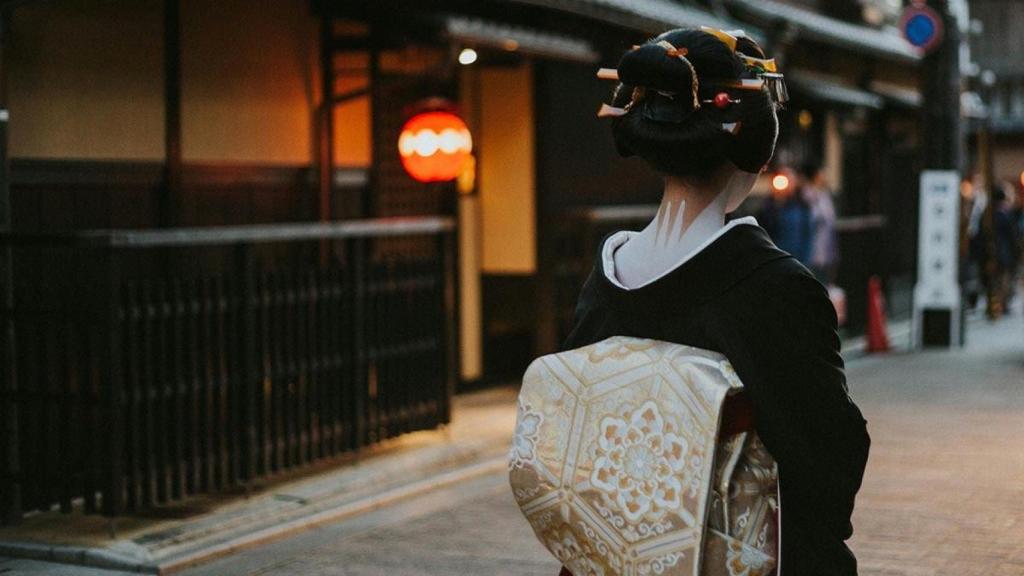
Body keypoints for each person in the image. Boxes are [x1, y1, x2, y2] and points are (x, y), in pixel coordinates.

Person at [560, 27, 870, 575]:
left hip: (618, 555)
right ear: (756, 148)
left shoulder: (606, 277)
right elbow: (828, 460)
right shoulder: (775, 288)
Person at [758, 165, 814, 265]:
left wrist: (804, 262)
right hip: (774, 260)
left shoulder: (802, 206)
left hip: (797, 260)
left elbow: (807, 235)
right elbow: (765, 230)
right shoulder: (768, 207)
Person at [801, 162, 839, 284]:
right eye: (823, 173)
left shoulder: (825, 195)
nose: (826, 176)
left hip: (826, 251)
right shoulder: (806, 195)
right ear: (816, 175)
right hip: (810, 251)